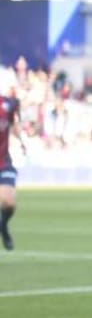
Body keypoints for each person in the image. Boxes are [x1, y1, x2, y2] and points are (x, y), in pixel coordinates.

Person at [0, 90, 27, 251]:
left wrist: (21, 140)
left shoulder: (6, 105)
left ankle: (3, 226)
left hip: (3, 161)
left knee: (9, 202)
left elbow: (13, 122)